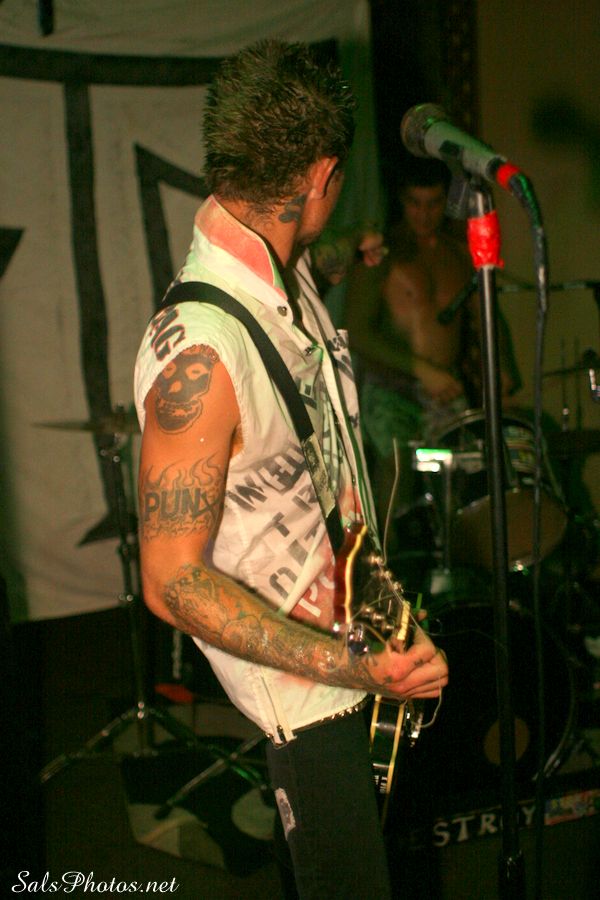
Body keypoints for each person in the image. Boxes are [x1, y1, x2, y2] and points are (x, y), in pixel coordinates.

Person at [134, 40, 447, 900]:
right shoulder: (202, 355)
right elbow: (170, 581)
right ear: (321, 175)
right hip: (312, 696)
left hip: (351, 629)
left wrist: (353, 247)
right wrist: (358, 670)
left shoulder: (276, 256)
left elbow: (311, 259)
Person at [346, 156, 520, 535]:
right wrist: (422, 370)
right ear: (401, 200)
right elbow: (356, 332)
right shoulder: (381, 254)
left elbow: (489, 318)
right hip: (392, 389)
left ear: (446, 201)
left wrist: (502, 368)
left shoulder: (458, 254)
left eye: (433, 203)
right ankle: (386, 559)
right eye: (415, 203)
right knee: (397, 470)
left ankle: (457, 558)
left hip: (446, 391)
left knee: (471, 471)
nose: (424, 214)